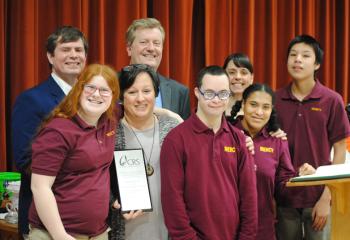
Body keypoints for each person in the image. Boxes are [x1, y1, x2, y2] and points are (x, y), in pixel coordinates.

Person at [160, 66, 258, 240]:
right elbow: (172, 202)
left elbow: (249, 199)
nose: (216, 99)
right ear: (197, 93)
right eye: (209, 93)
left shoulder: (239, 140)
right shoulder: (175, 140)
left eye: (222, 94)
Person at [11, 26, 88, 238]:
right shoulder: (31, 100)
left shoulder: (92, 98)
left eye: (78, 50)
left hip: (88, 221)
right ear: (50, 57)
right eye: (65, 49)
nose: (73, 55)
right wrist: (77, 183)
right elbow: (25, 158)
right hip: (43, 220)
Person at [28, 64, 120, 239]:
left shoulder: (110, 118)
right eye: (90, 87)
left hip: (98, 233)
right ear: (79, 89)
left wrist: (169, 115)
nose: (96, 94)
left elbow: (136, 108)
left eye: (104, 90)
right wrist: (60, 235)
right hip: (54, 234)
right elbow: (40, 188)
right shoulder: (57, 131)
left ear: (113, 96)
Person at [275, 35, 350, 240]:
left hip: (318, 197)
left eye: (305, 55)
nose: (297, 59)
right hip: (284, 199)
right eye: (293, 55)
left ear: (317, 63)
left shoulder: (332, 100)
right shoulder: (274, 99)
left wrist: (327, 197)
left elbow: (340, 150)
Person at [228, 83, 315, 240]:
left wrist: (301, 177)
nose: (259, 112)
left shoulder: (277, 142)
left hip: (262, 229)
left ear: (271, 110)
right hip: (225, 227)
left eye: (266, 107)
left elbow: (283, 190)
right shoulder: (226, 134)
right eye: (253, 105)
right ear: (243, 104)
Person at [108, 64, 180, 240]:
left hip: (169, 231)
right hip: (125, 231)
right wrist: (111, 201)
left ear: (156, 93)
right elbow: (97, 180)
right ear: (121, 96)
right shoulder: (110, 135)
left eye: (147, 91)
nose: (140, 99)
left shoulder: (174, 130)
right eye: (132, 92)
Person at [126, 18, 191, 119]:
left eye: (156, 43)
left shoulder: (179, 92)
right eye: (144, 42)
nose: (151, 48)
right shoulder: (111, 86)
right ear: (129, 49)